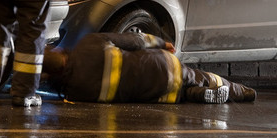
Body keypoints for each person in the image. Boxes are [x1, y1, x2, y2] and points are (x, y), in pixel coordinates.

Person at [42, 33, 257, 104]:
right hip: (161, 65)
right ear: (59, 52)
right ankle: (241, 91)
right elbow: (135, 41)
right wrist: (160, 42)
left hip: (160, 93)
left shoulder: (76, 93)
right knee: (199, 76)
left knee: (181, 93)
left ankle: (197, 94)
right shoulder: (88, 43)